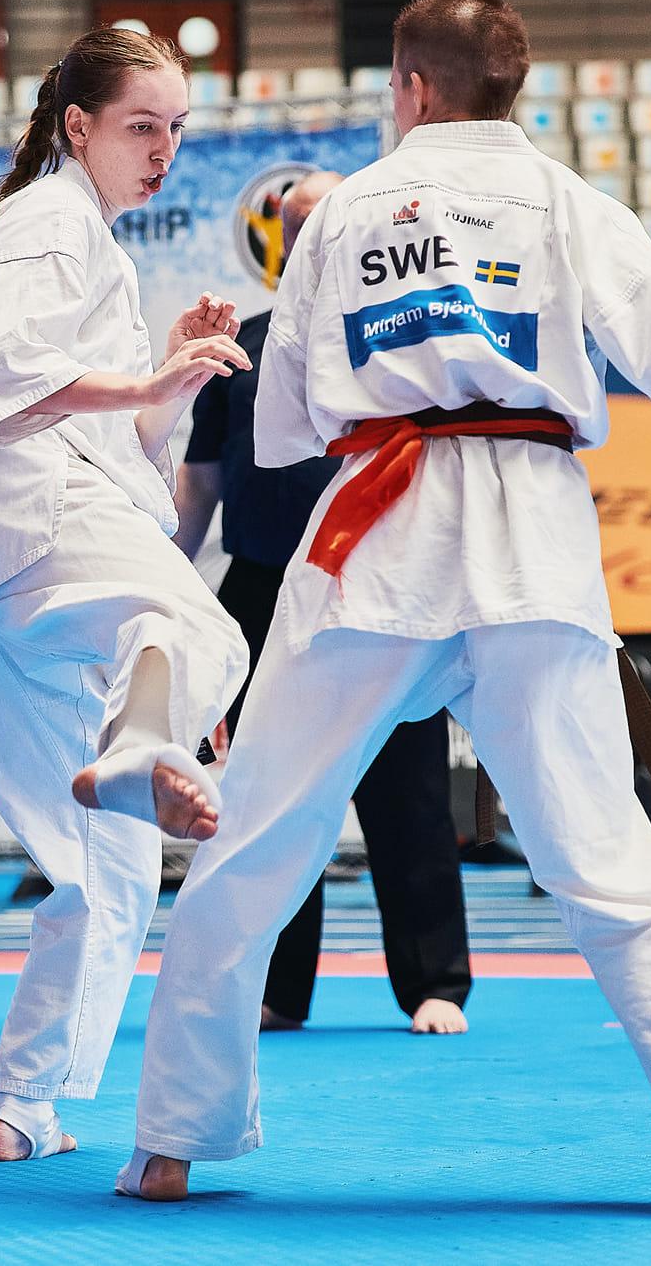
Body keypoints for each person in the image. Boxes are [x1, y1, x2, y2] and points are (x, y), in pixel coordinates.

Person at [117, 0, 651, 1215]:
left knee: (254, 841)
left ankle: (172, 1140)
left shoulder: (342, 214)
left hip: (374, 544)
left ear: (411, 87)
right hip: (532, 542)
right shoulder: (564, 200)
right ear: (512, 86)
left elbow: (285, 427)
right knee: (610, 863)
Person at [0, 26, 250, 1164]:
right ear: (77, 126)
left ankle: (23, 1107)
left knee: (96, 860)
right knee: (197, 628)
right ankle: (143, 736)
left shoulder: (77, 236)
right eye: (141, 126)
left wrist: (168, 379)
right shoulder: (49, 220)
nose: (163, 151)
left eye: (177, 130)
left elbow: (122, 445)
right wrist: (145, 376)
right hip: (28, 508)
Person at [175, 169, 472, 1037]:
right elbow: (199, 489)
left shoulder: (406, 337)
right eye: (297, 222)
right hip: (263, 587)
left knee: (407, 790)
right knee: (268, 792)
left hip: (386, 582)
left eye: (327, 219)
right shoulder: (242, 348)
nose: (311, 234)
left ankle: (435, 982)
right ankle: (277, 988)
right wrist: (159, 585)